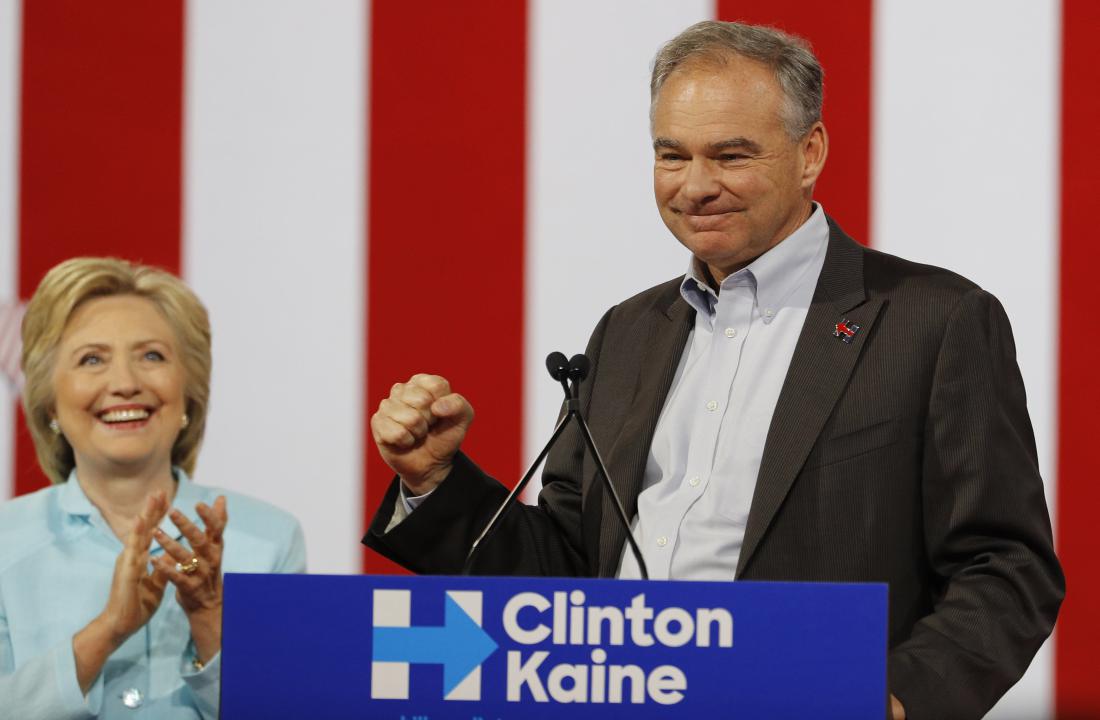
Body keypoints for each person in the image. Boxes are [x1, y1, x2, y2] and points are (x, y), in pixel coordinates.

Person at [362, 20, 1063, 720]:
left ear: (809, 152)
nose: (695, 186)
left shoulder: (933, 321)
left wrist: (898, 699)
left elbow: (1005, 568)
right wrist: (435, 482)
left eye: (731, 156)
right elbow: (567, 576)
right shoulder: (628, 332)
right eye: (672, 155)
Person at [0, 257, 306, 718]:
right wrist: (105, 631)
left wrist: (207, 615)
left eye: (152, 356)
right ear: (49, 405)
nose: (124, 383)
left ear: (189, 395)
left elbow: (289, 711)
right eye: (92, 359)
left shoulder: (269, 539)